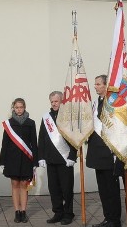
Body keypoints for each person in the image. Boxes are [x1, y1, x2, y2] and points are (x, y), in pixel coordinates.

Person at [38, 91, 77, 225]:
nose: (54, 104)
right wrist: (41, 157)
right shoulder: (46, 118)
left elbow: (75, 138)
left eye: (56, 101)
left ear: (62, 101)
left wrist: (72, 156)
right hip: (50, 159)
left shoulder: (68, 117)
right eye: (52, 101)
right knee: (53, 189)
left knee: (66, 189)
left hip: (65, 159)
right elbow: (42, 138)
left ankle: (68, 214)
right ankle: (58, 213)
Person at [87, 75, 121, 227]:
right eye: (95, 84)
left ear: (106, 85)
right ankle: (108, 217)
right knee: (103, 190)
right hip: (97, 153)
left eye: (98, 84)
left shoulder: (113, 102)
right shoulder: (96, 103)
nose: (95, 86)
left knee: (111, 189)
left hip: (108, 152)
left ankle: (114, 220)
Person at [0, 98, 38, 224]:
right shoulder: (9, 123)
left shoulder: (31, 123)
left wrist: (35, 162)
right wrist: (2, 161)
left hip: (26, 159)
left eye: (21, 107)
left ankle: (23, 211)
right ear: (13, 108)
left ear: (24, 107)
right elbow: (4, 144)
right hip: (12, 159)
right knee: (15, 185)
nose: (19, 110)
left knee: (24, 185)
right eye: (17, 107)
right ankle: (17, 211)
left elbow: (34, 143)